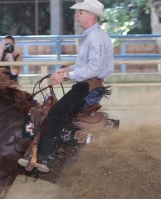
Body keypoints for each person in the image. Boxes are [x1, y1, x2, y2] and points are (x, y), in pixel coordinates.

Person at [18, 0, 114, 172]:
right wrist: (64, 70)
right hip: (87, 85)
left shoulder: (96, 38)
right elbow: (84, 65)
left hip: (88, 87)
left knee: (57, 111)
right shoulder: (92, 36)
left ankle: (46, 157)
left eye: (81, 12)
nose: (77, 15)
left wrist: (66, 76)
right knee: (57, 110)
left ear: (91, 16)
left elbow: (94, 68)